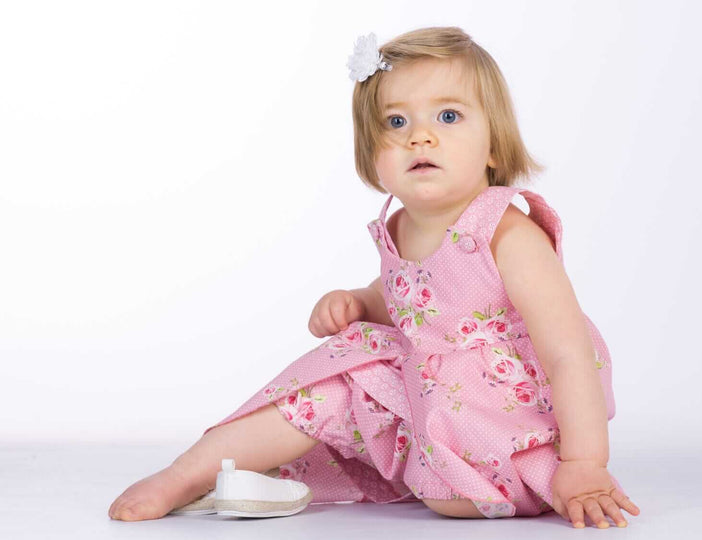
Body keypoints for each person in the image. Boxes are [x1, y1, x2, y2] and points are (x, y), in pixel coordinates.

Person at [109, 26, 641, 528]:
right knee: (343, 370)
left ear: (494, 146)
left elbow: (568, 353)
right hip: (429, 410)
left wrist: (585, 462)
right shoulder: (401, 225)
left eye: (448, 117)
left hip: (505, 429)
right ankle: (192, 473)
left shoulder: (507, 234)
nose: (421, 137)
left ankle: (552, 476)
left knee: (366, 361)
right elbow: (415, 305)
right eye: (396, 123)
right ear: (371, 153)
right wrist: (361, 302)